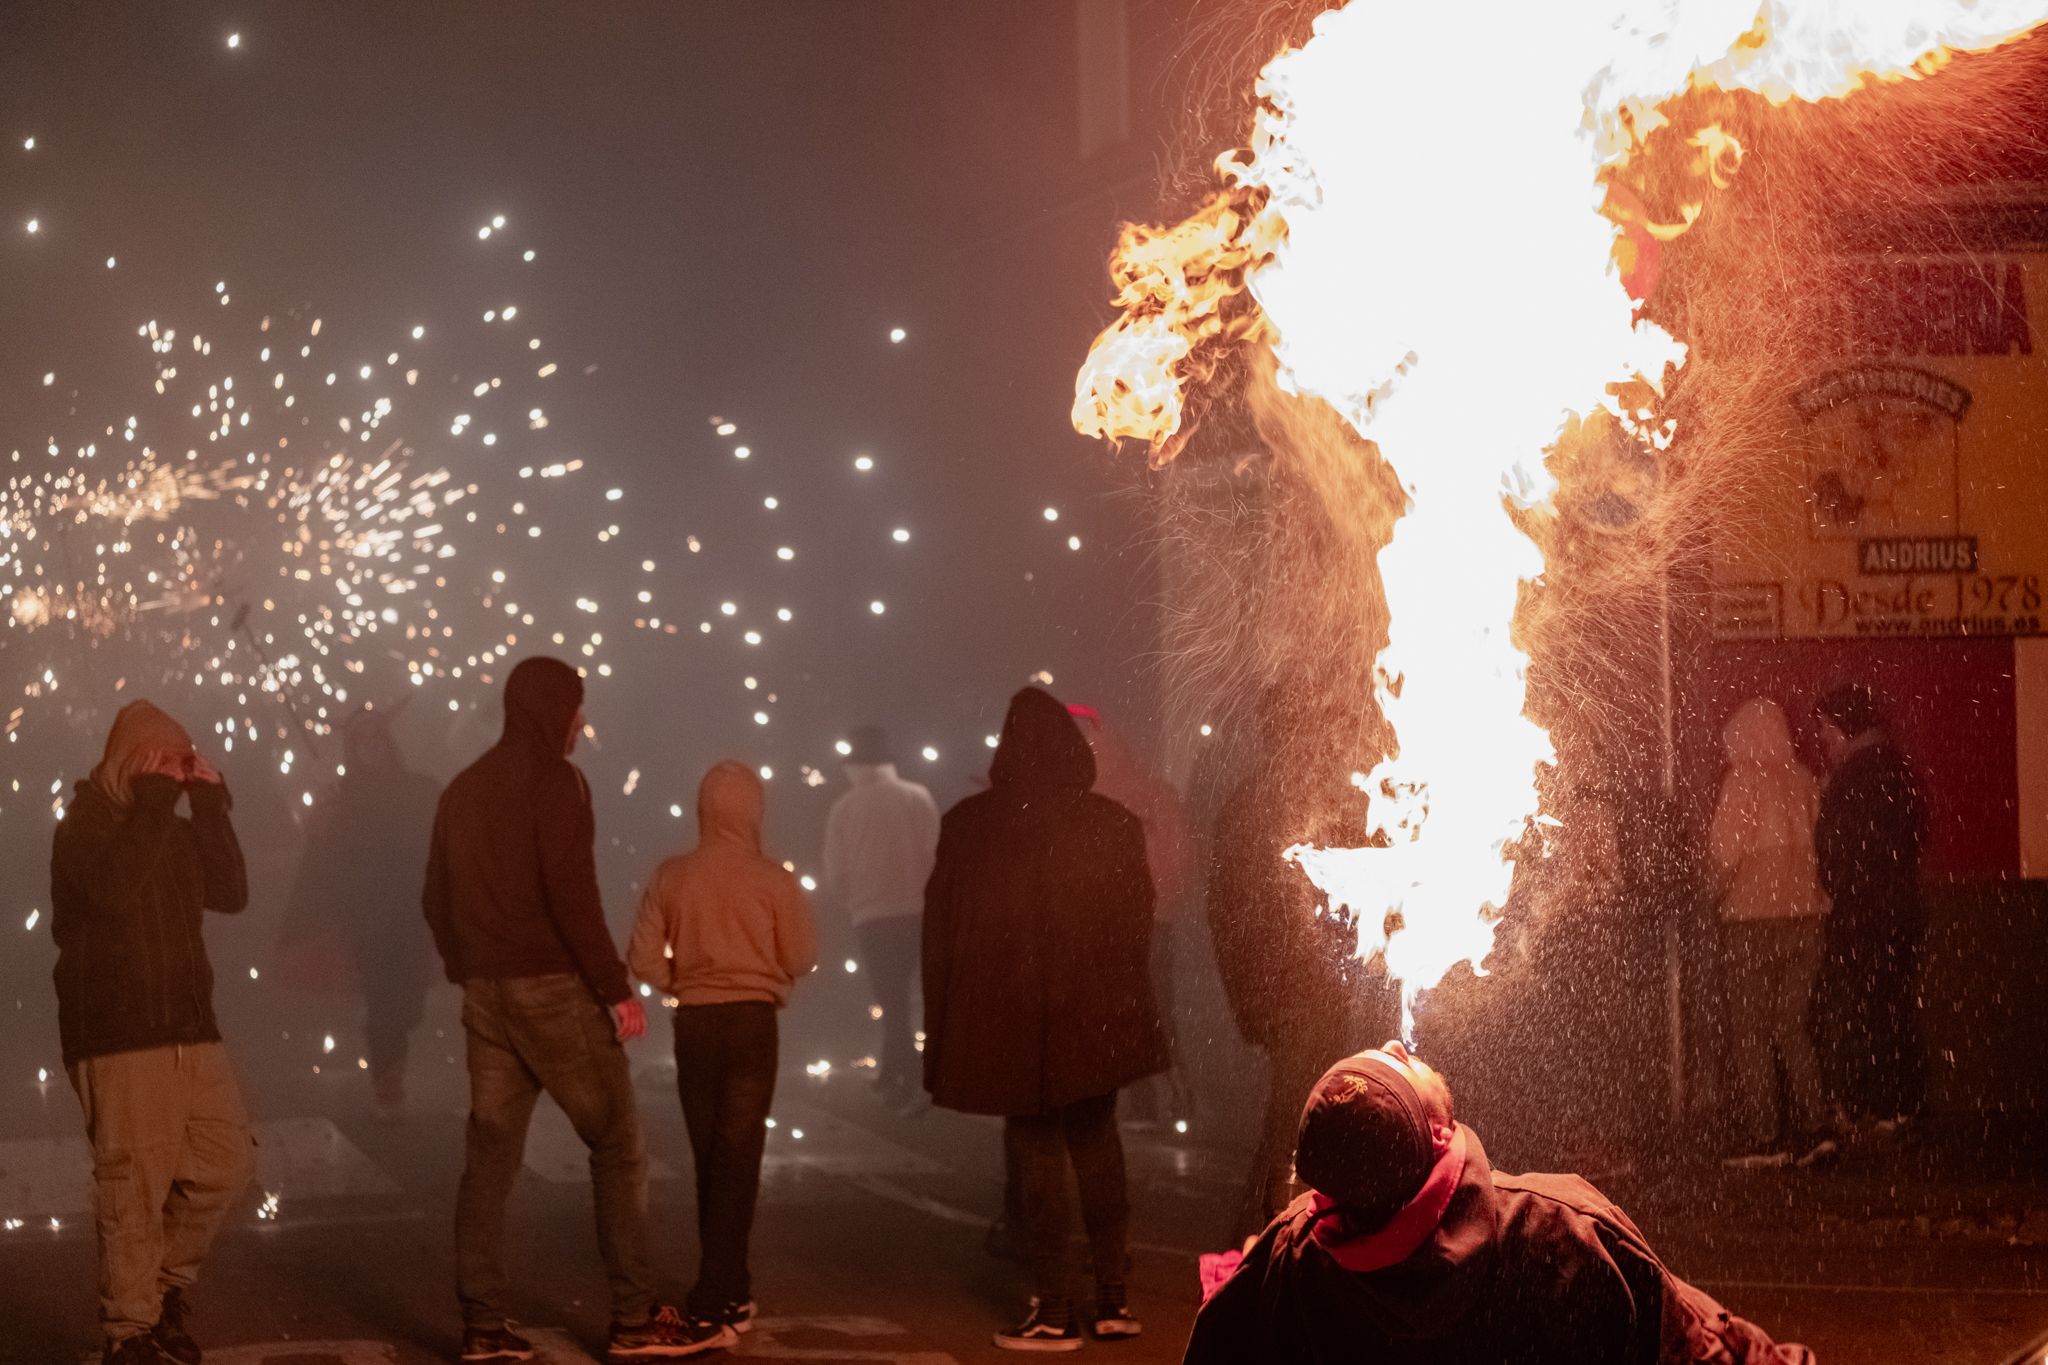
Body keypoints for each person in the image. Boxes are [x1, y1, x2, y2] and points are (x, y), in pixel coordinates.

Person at [422, 657, 721, 1362]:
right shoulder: (557, 782)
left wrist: (465, 963)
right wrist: (615, 987)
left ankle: (483, 1325)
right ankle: (635, 1319)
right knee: (618, 1144)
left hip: (485, 993)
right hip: (551, 987)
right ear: (553, 707)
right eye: (576, 706)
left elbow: (434, 895)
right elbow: (571, 891)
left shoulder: (462, 788)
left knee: (489, 1159)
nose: (582, 721)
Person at [1185, 1045, 1816, 1364]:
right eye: (1396, 1064)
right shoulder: (1559, 1228)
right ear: (1438, 1134)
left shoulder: (1287, 1262)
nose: (1398, 1044)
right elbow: (1699, 1352)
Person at [923, 686, 1167, 1350]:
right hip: (1098, 1014)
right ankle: (1113, 1298)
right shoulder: (1114, 823)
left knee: (1036, 1155)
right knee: (1097, 1142)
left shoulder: (969, 823)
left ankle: (1053, 1306)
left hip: (1010, 1017)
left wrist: (945, 1023)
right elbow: (1138, 923)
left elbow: (945, 931)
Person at [50, 700, 255, 1365]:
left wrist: (210, 806)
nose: (177, 771)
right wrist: (155, 803)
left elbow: (229, 892)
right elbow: (113, 892)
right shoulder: (86, 820)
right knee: (133, 1188)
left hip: (191, 1025)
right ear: (131, 760)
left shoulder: (163, 818)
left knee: (225, 1164)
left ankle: (162, 1288)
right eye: (165, 759)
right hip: (118, 1032)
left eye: (184, 759)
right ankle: (129, 1331)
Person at [628, 760, 817, 1335]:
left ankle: (728, 1286)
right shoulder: (775, 880)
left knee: (709, 1156)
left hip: (696, 1023)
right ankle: (718, 1292)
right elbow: (800, 957)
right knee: (739, 1157)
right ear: (755, 812)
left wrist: (681, 981)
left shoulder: (671, 876)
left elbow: (640, 959)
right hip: (754, 1024)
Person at [1207, 683, 1394, 1242]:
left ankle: (1271, 1243)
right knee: (1295, 1122)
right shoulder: (1282, 802)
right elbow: (1239, 910)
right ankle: (1263, 1247)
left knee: (1299, 1119)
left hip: (1303, 991)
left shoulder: (1266, 797)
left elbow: (1226, 911)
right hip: (1302, 993)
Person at [282, 705, 441, 1118]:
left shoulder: (417, 788)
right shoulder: (346, 796)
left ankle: (392, 1065)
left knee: (407, 1002)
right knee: (383, 996)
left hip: (412, 909)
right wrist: (323, 820)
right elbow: (328, 849)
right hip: (368, 911)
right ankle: (388, 1082)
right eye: (362, 741)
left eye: (377, 739)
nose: (371, 748)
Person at [1706, 699, 1832, 1166]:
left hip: (1751, 922)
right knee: (1792, 1026)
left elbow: (1725, 851)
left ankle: (1767, 1139)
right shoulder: (1803, 779)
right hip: (1808, 918)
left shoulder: (1744, 780)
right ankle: (1819, 1129)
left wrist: (1710, 898)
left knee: (1751, 1031)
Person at [1810, 683, 1927, 1135]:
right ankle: (1898, 1104)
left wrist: (1838, 886)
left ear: (1842, 728)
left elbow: (1838, 849)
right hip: (1896, 905)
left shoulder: (1854, 777)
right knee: (1891, 1004)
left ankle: (1877, 1104)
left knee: (1865, 1007)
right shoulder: (1894, 768)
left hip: (1863, 910)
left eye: (1825, 729)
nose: (1822, 740)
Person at [821, 724, 938, 1102]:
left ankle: (898, 1073)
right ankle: (910, 1070)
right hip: (917, 910)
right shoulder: (916, 797)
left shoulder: (845, 809)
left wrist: (853, 898)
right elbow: (935, 853)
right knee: (919, 993)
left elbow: (835, 872)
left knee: (891, 998)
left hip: (872, 914)